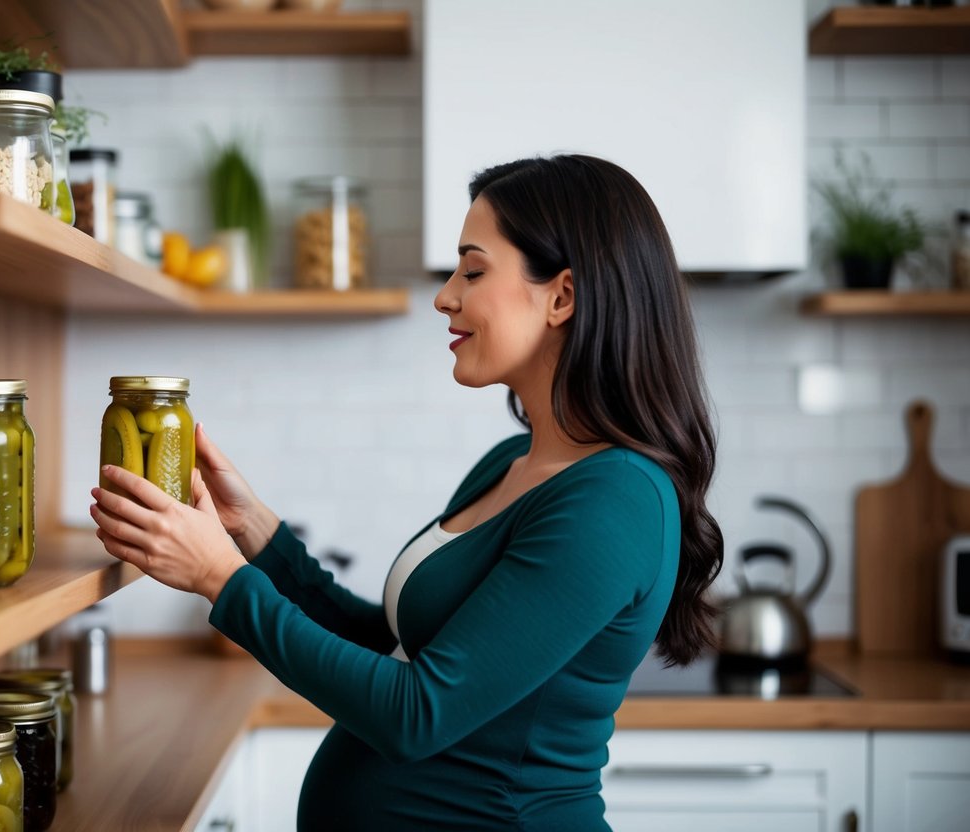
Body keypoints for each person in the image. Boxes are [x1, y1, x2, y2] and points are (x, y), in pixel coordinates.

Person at [89, 154, 723, 831]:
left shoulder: (613, 501)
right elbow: (396, 646)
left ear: (561, 296)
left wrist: (221, 580)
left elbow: (418, 714)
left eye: (472, 271)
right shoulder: (513, 462)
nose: (445, 296)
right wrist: (257, 536)